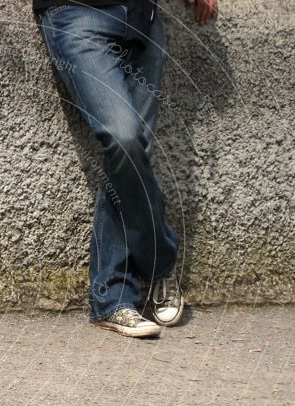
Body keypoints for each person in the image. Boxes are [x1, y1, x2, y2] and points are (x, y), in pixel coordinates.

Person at [34, 0, 218, 337]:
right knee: (123, 138)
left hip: (141, 19)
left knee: (133, 156)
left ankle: (113, 298)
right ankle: (160, 260)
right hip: (76, 14)